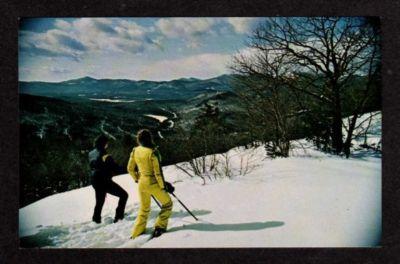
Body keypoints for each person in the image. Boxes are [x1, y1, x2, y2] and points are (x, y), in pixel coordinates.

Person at [127, 129, 174, 238]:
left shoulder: (135, 150)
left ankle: (135, 234)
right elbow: (158, 173)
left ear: (138, 140)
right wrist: (164, 187)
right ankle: (159, 227)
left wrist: (137, 178)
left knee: (144, 209)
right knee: (167, 204)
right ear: (150, 139)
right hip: (153, 184)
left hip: (141, 184)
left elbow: (129, 168)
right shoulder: (153, 152)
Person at [88, 134, 128, 224]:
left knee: (99, 201)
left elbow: (93, 166)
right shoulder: (105, 155)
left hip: (94, 180)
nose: (107, 145)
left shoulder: (91, 153)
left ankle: (95, 220)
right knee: (124, 195)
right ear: (104, 143)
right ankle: (119, 217)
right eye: (107, 143)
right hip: (104, 181)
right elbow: (116, 168)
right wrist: (129, 169)